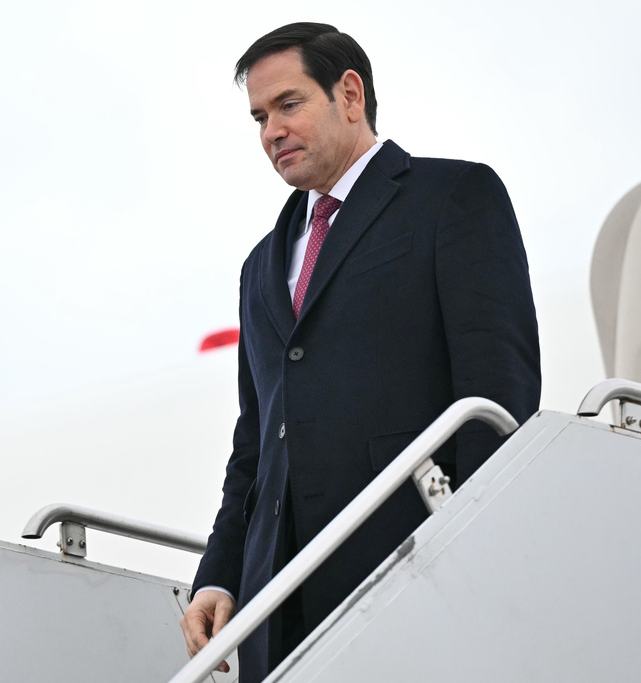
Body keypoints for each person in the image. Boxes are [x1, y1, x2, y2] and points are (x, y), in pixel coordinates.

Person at [180, 22, 541, 679]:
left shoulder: (454, 198)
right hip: (278, 605)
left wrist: (465, 544)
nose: (270, 132)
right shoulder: (259, 266)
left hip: (411, 572)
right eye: (259, 117)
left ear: (350, 94)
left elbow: (497, 398)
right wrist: (220, 574)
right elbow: (255, 444)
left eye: (288, 105)